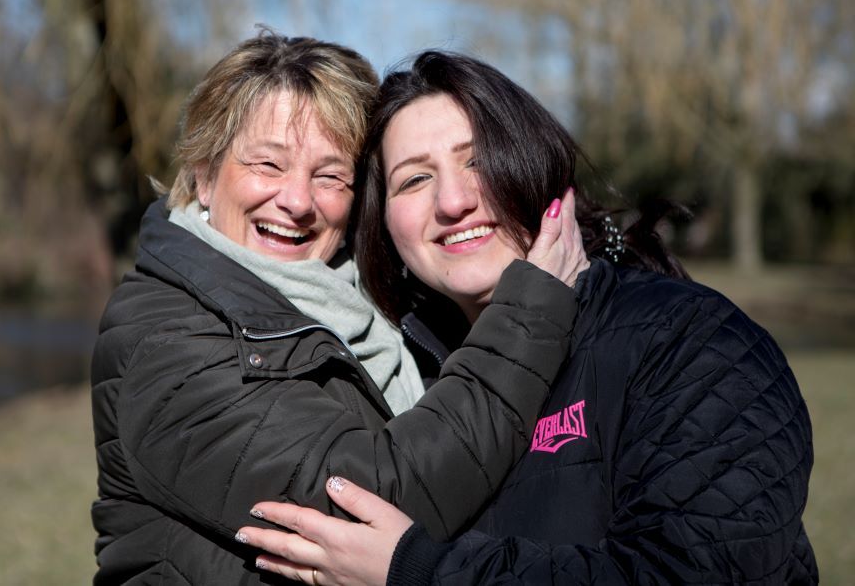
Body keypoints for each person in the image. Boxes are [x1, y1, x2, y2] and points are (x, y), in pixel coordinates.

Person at [236, 50, 818, 585]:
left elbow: (698, 572)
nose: (453, 201)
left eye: (479, 160)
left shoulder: (692, 342)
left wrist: (417, 572)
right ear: (383, 226)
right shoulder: (401, 381)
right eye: (414, 178)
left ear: (535, 167)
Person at [90, 33, 590, 584]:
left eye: (329, 175)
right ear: (206, 177)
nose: (298, 201)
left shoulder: (373, 298)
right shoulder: (164, 340)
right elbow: (374, 499)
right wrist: (530, 315)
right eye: (267, 164)